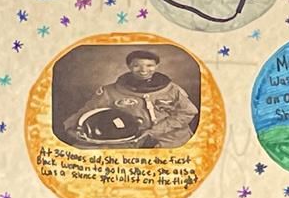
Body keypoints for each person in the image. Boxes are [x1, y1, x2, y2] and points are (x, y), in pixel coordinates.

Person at [62, 48, 199, 147]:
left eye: (149, 65)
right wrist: (71, 127)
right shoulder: (110, 91)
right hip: (128, 139)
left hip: (172, 138)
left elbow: (189, 112)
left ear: (157, 66)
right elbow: (88, 110)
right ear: (129, 66)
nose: (144, 70)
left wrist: (154, 132)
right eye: (136, 66)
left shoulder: (172, 89)